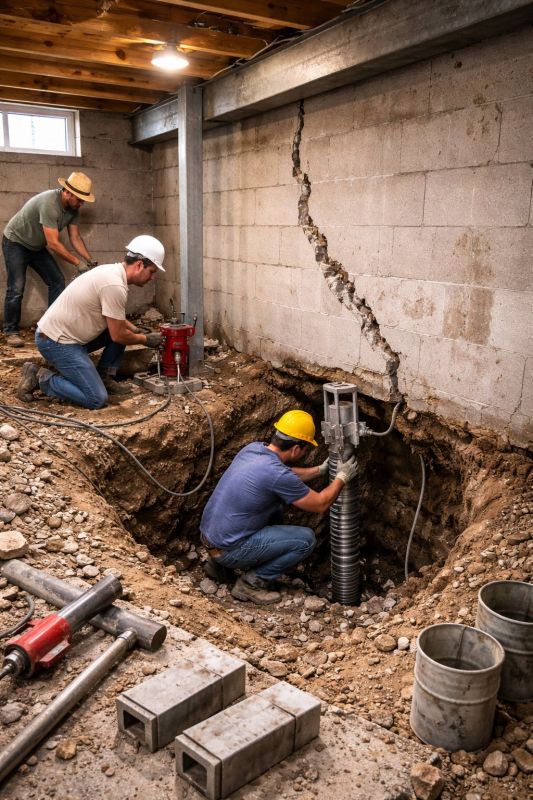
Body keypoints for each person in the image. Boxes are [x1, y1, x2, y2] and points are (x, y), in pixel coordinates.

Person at [200, 410, 358, 605]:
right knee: (305, 540)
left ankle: (216, 566)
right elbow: (320, 504)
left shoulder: (253, 450)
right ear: (295, 449)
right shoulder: (276, 475)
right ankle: (251, 584)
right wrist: (342, 477)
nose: (304, 453)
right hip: (229, 550)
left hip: (210, 539)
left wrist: (319, 470)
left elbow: (284, 473)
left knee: (273, 509)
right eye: (305, 449)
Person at [15, 235, 165, 410]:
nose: (152, 277)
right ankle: (40, 377)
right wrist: (146, 340)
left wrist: (136, 330)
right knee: (96, 398)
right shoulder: (114, 286)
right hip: (54, 342)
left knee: (124, 332)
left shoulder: (111, 272)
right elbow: (118, 335)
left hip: (62, 336)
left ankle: (104, 377)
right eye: (152, 271)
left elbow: (114, 317)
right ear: (139, 265)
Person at [2, 171, 97, 347]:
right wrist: (78, 263)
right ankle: (11, 331)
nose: (81, 203)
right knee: (16, 288)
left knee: (57, 281)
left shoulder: (73, 210)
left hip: (36, 246)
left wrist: (89, 260)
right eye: (79, 199)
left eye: (83, 200)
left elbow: (75, 238)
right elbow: (53, 243)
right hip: (16, 242)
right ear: (67, 193)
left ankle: (51, 328)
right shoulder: (49, 204)